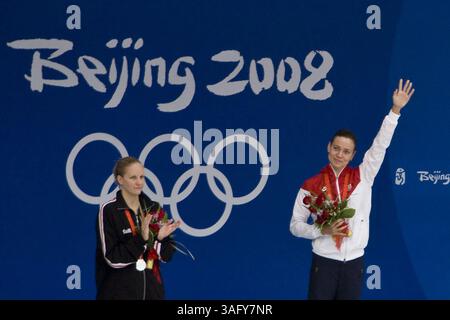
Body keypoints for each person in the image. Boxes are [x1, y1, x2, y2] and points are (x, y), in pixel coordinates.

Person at [290, 79, 415, 300]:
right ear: (328, 148)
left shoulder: (363, 175)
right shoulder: (311, 185)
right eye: (336, 148)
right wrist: (322, 231)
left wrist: (395, 111)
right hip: (324, 262)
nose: (340, 154)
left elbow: (380, 145)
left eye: (346, 151)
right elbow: (295, 226)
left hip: (354, 264)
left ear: (353, 155)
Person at [96, 156, 181, 300]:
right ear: (120, 180)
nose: (139, 182)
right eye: (133, 177)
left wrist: (161, 239)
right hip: (119, 294)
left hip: (152, 293)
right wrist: (141, 238)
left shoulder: (153, 208)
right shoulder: (109, 210)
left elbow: (166, 257)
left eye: (142, 177)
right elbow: (112, 259)